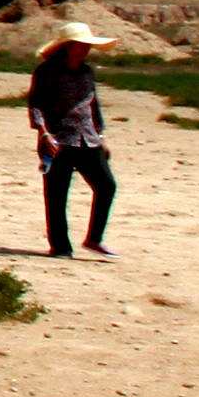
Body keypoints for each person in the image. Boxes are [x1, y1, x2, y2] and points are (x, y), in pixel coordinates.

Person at [30, 13, 119, 259]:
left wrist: (101, 135)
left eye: (88, 45)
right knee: (57, 194)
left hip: (88, 138)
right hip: (58, 140)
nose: (86, 49)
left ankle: (94, 239)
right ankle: (60, 246)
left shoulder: (87, 72)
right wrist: (44, 133)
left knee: (107, 186)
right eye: (82, 44)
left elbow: (93, 105)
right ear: (68, 46)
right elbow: (35, 103)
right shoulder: (47, 72)